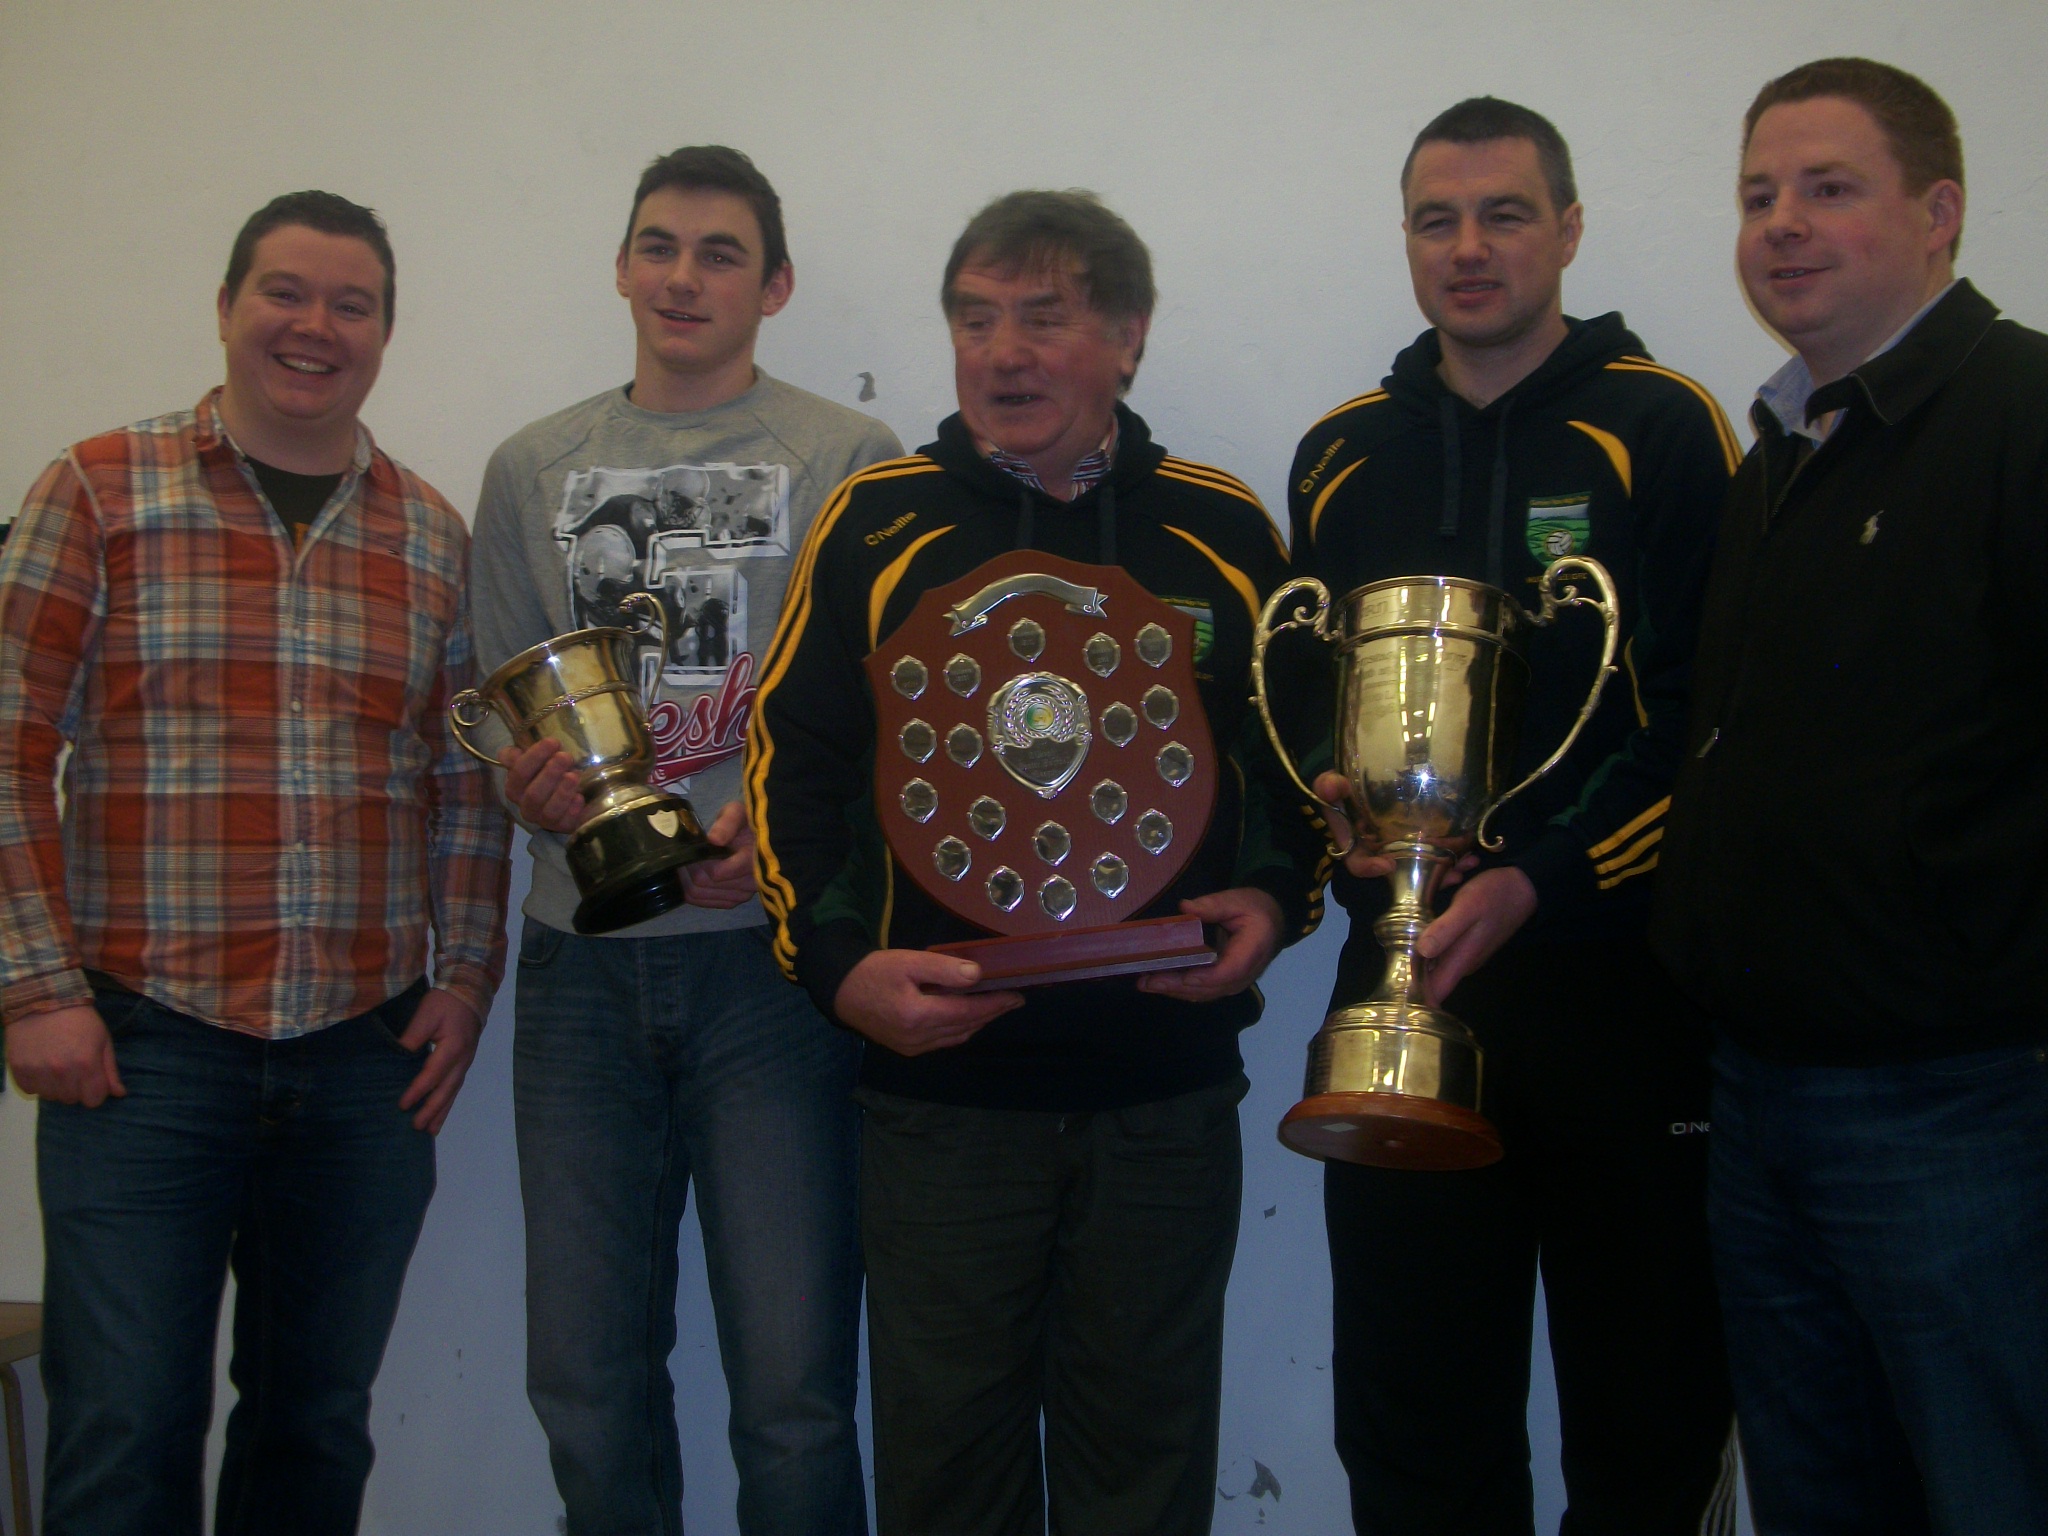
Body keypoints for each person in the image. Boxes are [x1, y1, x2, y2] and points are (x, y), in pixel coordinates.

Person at [748, 189, 1326, 1536]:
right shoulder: (875, 524)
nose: (1002, 354)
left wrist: (1276, 899)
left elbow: (1302, 762)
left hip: (1162, 1092)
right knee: (948, 1474)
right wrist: (834, 970)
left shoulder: (1224, 531)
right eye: (974, 320)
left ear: (1126, 336)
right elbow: (792, 764)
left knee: (1145, 1470)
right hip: (945, 1101)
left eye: (1043, 319)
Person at [0, 190, 509, 1535]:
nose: (315, 326)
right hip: (140, 1047)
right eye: (286, 292)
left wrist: (465, 975)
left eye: (352, 304)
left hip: (361, 1059)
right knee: (123, 1426)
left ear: (385, 333)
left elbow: (465, 782)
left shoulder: (430, 535)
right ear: (227, 306)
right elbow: (6, 744)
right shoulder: (95, 490)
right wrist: (33, 988)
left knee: (314, 1428)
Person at [1287, 98, 1740, 1534]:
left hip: (1619, 993)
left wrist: (1547, 878)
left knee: (1648, 1422)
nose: (1469, 248)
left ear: (1570, 229)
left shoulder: (1661, 427)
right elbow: (1303, 703)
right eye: (1438, 220)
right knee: (1415, 1425)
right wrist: (1331, 817)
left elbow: (1706, 717)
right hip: (1405, 985)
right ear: (1406, 239)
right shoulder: (1342, 452)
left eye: (1504, 215)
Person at [468, 145, 900, 1536]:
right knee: (583, 1382)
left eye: (721, 253)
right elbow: (499, 710)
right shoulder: (528, 467)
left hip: (771, 974)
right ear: (619, 269)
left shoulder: (850, 460)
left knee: (792, 1390)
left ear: (775, 286)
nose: (683, 276)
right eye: (657, 245)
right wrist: (532, 789)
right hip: (579, 967)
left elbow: (889, 717)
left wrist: (781, 827)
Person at [1654, 58, 2048, 1536]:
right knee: (1820, 1502)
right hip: (1758, 1103)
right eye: (1759, 194)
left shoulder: (2025, 417)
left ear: (1940, 214)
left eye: (1830, 188)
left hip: (1961, 1116)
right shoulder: (1782, 454)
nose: (1782, 224)